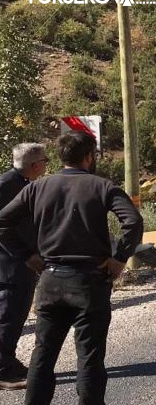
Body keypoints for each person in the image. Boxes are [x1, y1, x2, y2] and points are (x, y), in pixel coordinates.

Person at [0, 132, 143, 405]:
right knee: (89, 356)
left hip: (50, 281)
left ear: (59, 157)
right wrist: (119, 258)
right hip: (89, 282)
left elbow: (2, 222)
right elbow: (133, 222)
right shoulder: (102, 186)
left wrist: (27, 255)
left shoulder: (35, 188)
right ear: (89, 156)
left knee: (43, 354)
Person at [0, 143, 48, 390]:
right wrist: (25, 254)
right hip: (11, 264)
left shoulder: (21, 184)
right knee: (8, 316)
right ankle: (3, 370)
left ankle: (7, 361)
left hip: (20, 262)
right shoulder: (8, 184)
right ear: (34, 165)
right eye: (45, 160)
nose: (46, 165)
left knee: (15, 315)